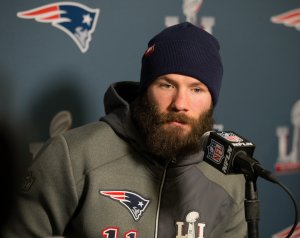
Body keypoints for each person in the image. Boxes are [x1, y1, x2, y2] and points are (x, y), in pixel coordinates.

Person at [4, 22, 246, 238]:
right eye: (167, 85)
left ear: (211, 101)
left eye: (196, 89)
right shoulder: (72, 156)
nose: (180, 104)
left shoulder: (230, 180)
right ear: (145, 90)